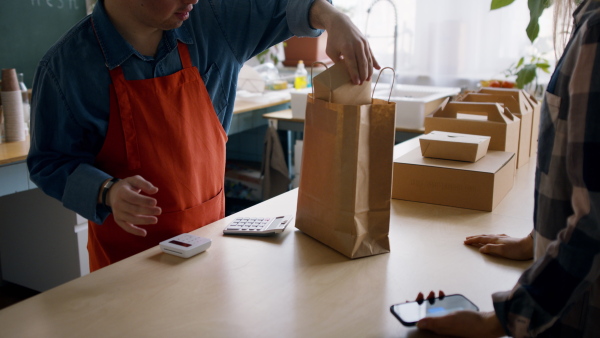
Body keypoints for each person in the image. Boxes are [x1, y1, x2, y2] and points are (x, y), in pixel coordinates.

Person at [27, 0, 380, 272]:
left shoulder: (213, 23)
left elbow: (285, 6)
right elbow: (50, 162)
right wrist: (106, 190)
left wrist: (334, 18)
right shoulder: (66, 68)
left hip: (210, 255)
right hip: (126, 269)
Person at [415, 1, 600, 337]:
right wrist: (538, 240)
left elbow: (594, 223)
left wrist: (498, 319)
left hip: (579, 315)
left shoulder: (596, 29)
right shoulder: (587, 22)